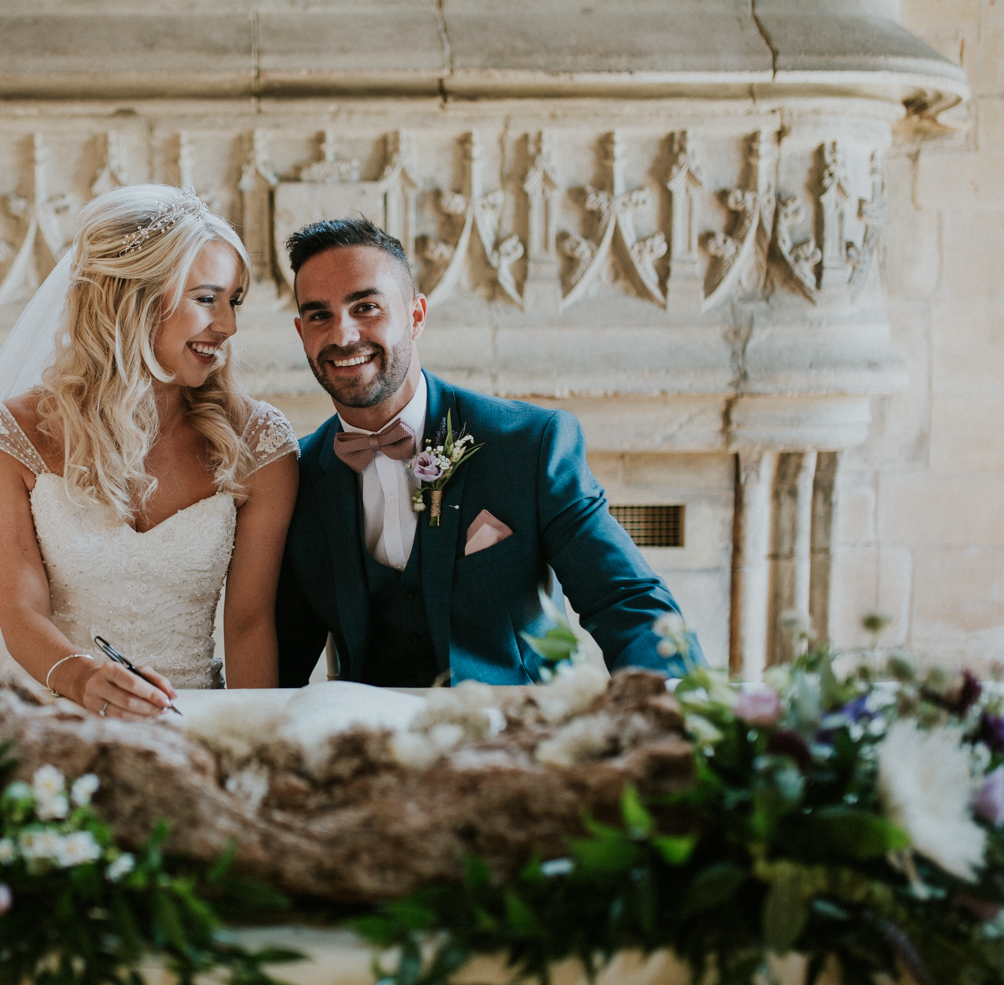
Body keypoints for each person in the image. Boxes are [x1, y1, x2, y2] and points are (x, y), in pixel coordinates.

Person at [0, 185, 299, 719]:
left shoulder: (259, 443)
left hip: (199, 726)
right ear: (132, 299)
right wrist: (84, 679)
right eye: (206, 298)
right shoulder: (12, 438)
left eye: (233, 301)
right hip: (64, 723)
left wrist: (253, 747)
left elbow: (250, 624)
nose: (228, 325)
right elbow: (21, 611)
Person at [274, 218, 702, 688]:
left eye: (366, 307)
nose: (343, 335)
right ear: (301, 331)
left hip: (519, 739)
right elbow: (282, 656)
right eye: (319, 315)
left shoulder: (530, 444)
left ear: (416, 316)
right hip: (372, 749)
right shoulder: (296, 477)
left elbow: (625, 600)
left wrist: (679, 715)